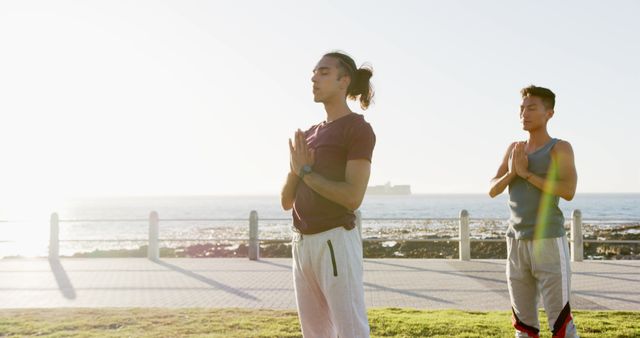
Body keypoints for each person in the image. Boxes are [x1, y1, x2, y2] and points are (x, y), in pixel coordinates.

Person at [280, 51, 376, 338]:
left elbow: (352, 197)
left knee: (351, 331)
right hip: (302, 244)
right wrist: (297, 170)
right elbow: (286, 201)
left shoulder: (358, 129)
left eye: (323, 72)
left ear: (343, 81)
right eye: (313, 72)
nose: (314, 78)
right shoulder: (307, 134)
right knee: (314, 334)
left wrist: (306, 172)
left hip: (335, 241)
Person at [489, 85, 579, 338]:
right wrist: (512, 172)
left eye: (531, 108)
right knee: (523, 325)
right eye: (521, 108)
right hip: (516, 242)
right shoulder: (513, 149)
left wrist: (527, 174)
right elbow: (492, 189)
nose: (524, 113)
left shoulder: (560, 148)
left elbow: (568, 190)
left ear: (549, 113)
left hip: (548, 240)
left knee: (561, 325)